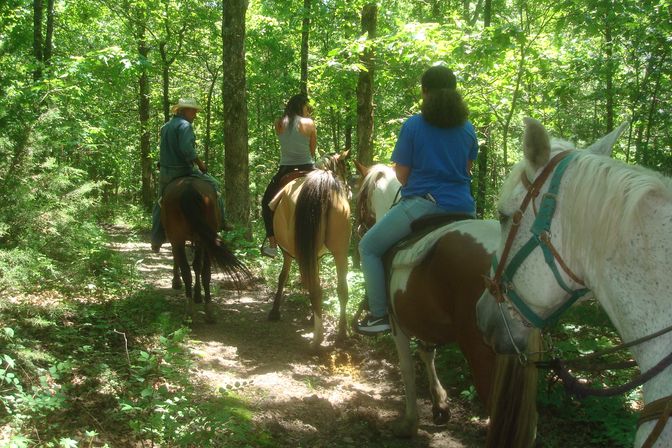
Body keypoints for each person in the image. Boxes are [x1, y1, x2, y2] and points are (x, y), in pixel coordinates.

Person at [356, 65, 479, 335]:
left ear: (425, 92)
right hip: (465, 208)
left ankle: (378, 315)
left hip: (424, 205)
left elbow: (401, 174)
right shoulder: (468, 129)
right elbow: (467, 169)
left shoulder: (414, 125)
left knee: (368, 247)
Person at [150, 97, 225, 253]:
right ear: (184, 111)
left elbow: (164, 149)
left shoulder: (165, 127)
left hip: (165, 173)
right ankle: (222, 222)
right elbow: (186, 149)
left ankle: (156, 237)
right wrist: (199, 163)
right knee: (215, 186)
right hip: (183, 170)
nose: (195, 115)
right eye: (193, 111)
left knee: (160, 202)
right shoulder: (185, 126)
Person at [260, 93, 317, 257]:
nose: (308, 110)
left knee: (266, 203)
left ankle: (272, 245)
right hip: (308, 167)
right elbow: (312, 150)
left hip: (286, 169)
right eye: (307, 107)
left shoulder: (279, 123)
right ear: (302, 106)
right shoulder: (310, 123)